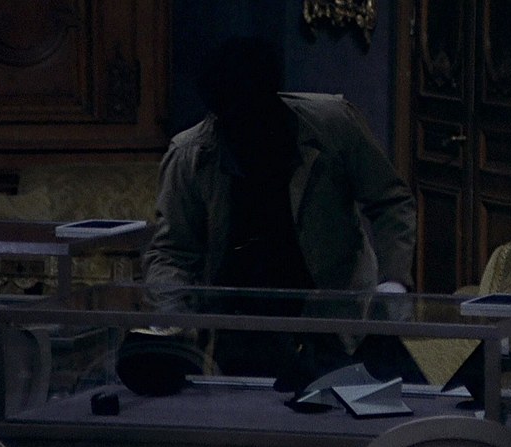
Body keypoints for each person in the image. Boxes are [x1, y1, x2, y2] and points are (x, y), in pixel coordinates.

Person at [140, 36, 421, 389]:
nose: (248, 130)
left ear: (273, 99)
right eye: (235, 120)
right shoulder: (190, 157)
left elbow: (391, 201)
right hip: (243, 327)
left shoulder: (333, 126)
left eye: (257, 114)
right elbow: (172, 253)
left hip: (335, 319)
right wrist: (172, 318)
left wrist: (393, 282)